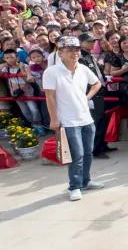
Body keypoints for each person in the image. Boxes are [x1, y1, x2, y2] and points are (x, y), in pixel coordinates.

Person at [43, 36, 105, 201]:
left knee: (88, 153)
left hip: (86, 118)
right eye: (69, 50)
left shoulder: (83, 68)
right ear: (60, 52)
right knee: (77, 155)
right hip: (68, 121)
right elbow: (49, 97)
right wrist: (54, 119)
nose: (74, 53)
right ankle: (75, 186)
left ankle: (86, 180)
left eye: (76, 49)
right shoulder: (51, 72)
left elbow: (97, 83)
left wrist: (87, 97)